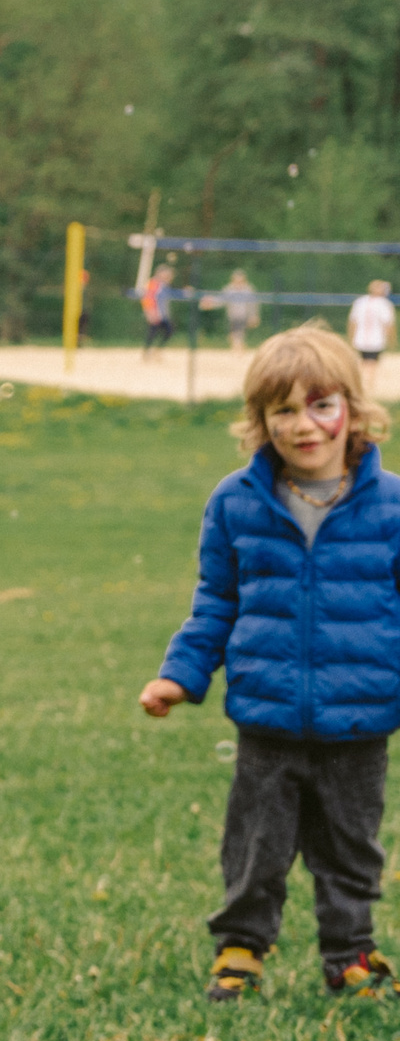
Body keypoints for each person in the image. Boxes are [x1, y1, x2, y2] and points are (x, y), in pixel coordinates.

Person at [139, 324, 400, 1001]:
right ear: (260, 420)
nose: (303, 425)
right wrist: (180, 676)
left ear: (352, 408)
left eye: (320, 405)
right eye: (283, 409)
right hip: (267, 718)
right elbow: (216, 603)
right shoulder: (235, 503)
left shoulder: (393, 508)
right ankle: (241, 948)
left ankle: (350, 954)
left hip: (360, 721)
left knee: (350, 850)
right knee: (256, 847)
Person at [210, 269, 260, 352]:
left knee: (238, 333)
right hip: (232, 315)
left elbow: (253, 304)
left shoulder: (248, 290)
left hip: (243, 315)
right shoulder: (229, 289)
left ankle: (237, 351)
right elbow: (222, 300)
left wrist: (253, 315)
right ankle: (241, 347)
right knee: (232, 335)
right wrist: (212, 303)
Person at [349, 279, 393, 370]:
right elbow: (387, 323)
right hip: (376, 339)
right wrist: (389, 339)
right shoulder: (384, 304)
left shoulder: (360, 302)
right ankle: (369, 382)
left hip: (360, 339)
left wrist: (351, 337)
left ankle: (365, 380)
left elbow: (353, 322)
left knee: (364, 362)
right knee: (372, 363)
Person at [140, 265, 175, 360]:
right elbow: (147, 298)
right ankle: (147, 352)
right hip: (155, 313)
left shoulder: (164, 285)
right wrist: (149, 312)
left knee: (169, 331)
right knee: (152, 333)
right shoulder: (153, 283)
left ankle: (157, 350)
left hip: (163, 314)